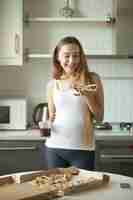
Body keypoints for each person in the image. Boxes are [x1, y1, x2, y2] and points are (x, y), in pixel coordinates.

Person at [44, 36, 104, 170]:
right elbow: (51, 117)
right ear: (57, 57)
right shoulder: (52, 85)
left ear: (81, 57)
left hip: (82, 149)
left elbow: (100, 117)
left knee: (83, 190)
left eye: (76, 56)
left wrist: (88, 97)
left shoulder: (92, 79)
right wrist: (46, 123)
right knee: (56, 188)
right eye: (67, 56)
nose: (72, 61)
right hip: (54, 147)